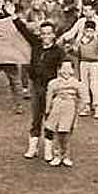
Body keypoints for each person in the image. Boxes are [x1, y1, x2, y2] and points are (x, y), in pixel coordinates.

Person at [12, 17, 66, 161]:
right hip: (36, 86)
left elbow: (64, 68)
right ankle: (32, 148)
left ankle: (48, 150)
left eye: (49, 33)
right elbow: (24, 32)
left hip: (51, 90)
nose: (46, 37)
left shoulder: (58, 51)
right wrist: (15, 18)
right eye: (43, 34)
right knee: (36, 117)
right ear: (40, 35)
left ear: (54, 35)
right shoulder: (36, 45)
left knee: (50, 119)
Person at [44, 60, 87, 167]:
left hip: (70, 108)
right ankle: (57, 155)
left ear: (73, 70)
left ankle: (66, 156)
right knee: (57, 132)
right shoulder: (53, 83)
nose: (66, 72)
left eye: (68, 69)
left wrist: (78, 110)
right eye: (63, 69)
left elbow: (84, 98)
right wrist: (47, 110)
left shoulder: (77, 84)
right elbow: (49, 97)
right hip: (57, 108)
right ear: (59, 70)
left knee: (66, 133)